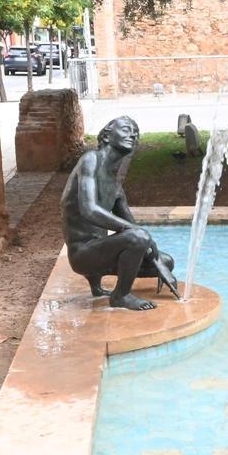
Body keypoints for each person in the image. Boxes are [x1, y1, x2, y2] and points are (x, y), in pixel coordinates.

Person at [60, 116, 179, 311]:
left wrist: (159, 264)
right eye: (126, 129)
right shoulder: (90, 160)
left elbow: (135, 231)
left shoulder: (115, 186)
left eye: (136, 132)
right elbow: (89, 210)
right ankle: (121, 296)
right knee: (139, 237)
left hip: (99, 252)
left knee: (166, 261)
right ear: (107, 136)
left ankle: (97, 286)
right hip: (82, 254)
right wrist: (143, 237)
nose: (133, 134)